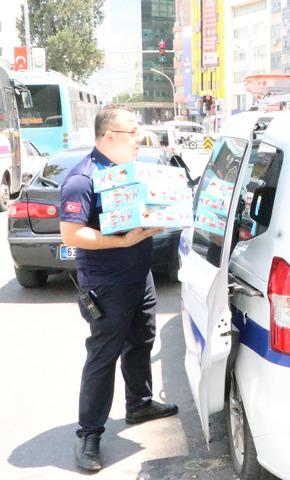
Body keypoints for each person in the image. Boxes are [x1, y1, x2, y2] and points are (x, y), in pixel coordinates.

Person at [60, 105, 178, 472]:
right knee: (103, 355)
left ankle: (139, 404)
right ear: (110, 136)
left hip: (139, 275)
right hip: (106, 283)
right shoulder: (83, 178)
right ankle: (89, 434)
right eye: (133, 132)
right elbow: (72, 234)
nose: (139, 138)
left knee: (142, 339)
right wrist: (123, 242)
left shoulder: (129, 173)